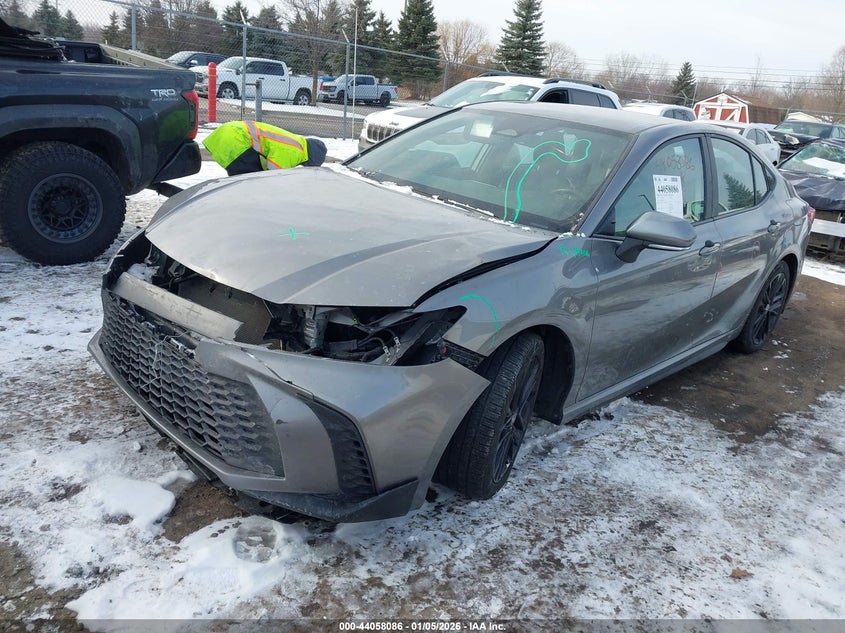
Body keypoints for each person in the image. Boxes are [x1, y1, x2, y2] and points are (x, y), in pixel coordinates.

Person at [203, 120, 328, 176]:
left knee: (244, 182)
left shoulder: (297, 143)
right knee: (251, 184)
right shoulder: (295, 152)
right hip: (237, 140)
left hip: (228, 132)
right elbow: (272, 177)